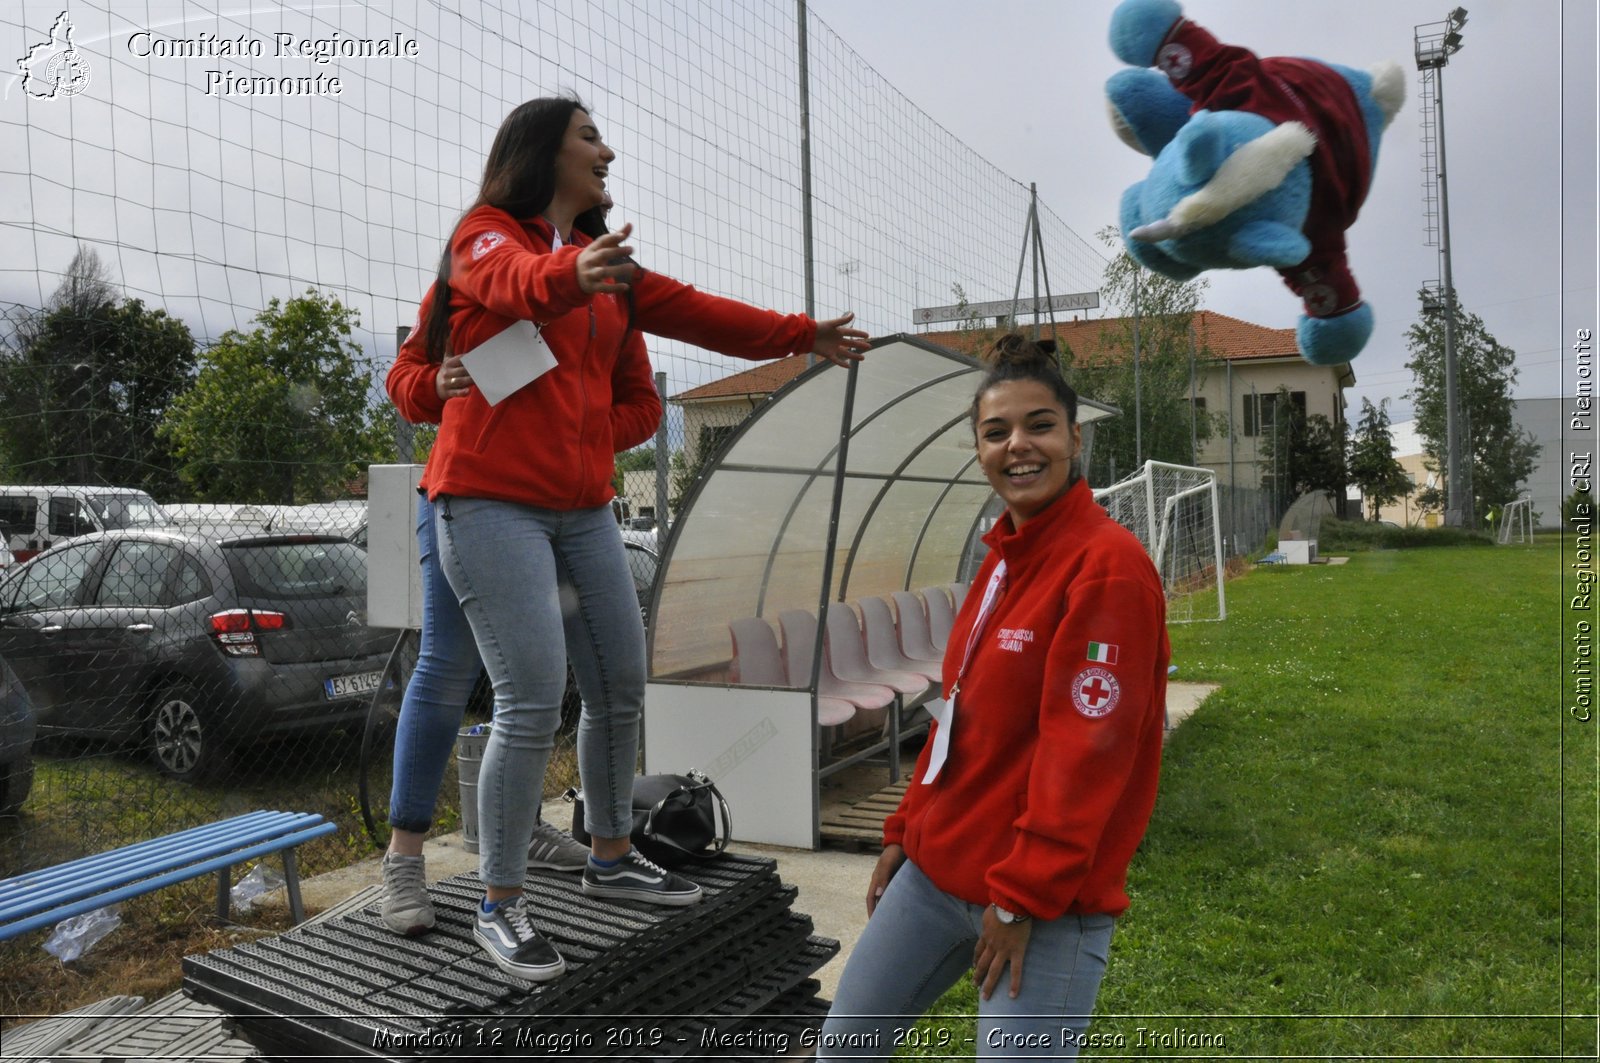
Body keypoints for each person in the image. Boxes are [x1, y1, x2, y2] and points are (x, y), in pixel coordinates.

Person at [388, 95, 869, 983]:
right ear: (542, 150)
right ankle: (498, 902)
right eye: (588, 138)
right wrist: (567, 278)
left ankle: (611, 854)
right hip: (487, 501)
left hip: (581, 508)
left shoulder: (608, 275)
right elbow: (501, 291)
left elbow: (699, 315)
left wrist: (803, 335)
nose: (607, 152)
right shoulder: (485, 234)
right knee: (529, 697)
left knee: (618, 687)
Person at [818, 334, 1169, 1059]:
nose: (1019, 445)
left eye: (1039, 424)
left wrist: (1019, 897)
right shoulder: (1004, 556)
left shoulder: (1106, 568)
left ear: (1074, 436)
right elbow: (958, 714)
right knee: (843, 1048)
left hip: (1041, 906)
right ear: (978, 447)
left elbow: (1087, 755)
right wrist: (905, 829)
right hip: (937, 873)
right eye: (996, 430)